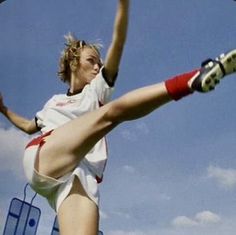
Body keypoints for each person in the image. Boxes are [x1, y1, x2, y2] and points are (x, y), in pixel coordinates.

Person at [0, 0, 236, 234]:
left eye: (99, 64)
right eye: (91, 61)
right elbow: (29, 126)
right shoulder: (53, 102)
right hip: (45, 158)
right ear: (73, 63)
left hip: (80, 174)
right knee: (111, 114)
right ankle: (193, 80)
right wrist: (4, 110)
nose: (97, 68)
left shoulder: (97, 91)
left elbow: (118, 43)